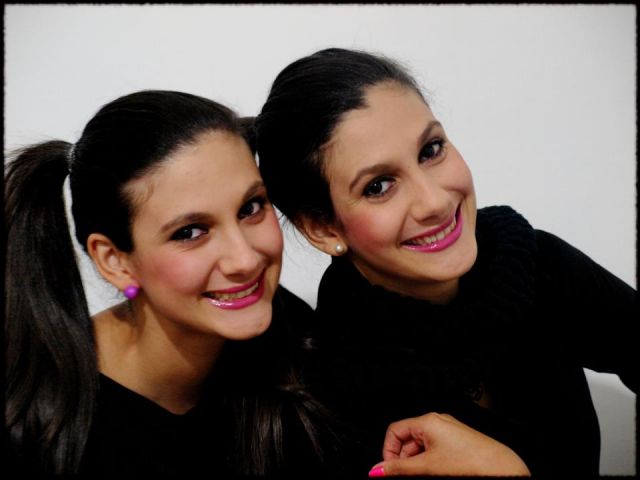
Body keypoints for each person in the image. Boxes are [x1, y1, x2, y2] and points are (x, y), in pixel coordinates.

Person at [253, 47, 638, 477]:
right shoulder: (328, 394)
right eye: (378, 186)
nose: (434, 201)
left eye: (431, 150)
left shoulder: (529, 260)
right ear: (324, 229)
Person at [4, 90, 335, 477]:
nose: (245, 260)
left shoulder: (290, 332)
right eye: (190, 232)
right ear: (114, 260)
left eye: (251, 208)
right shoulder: (37, 431)